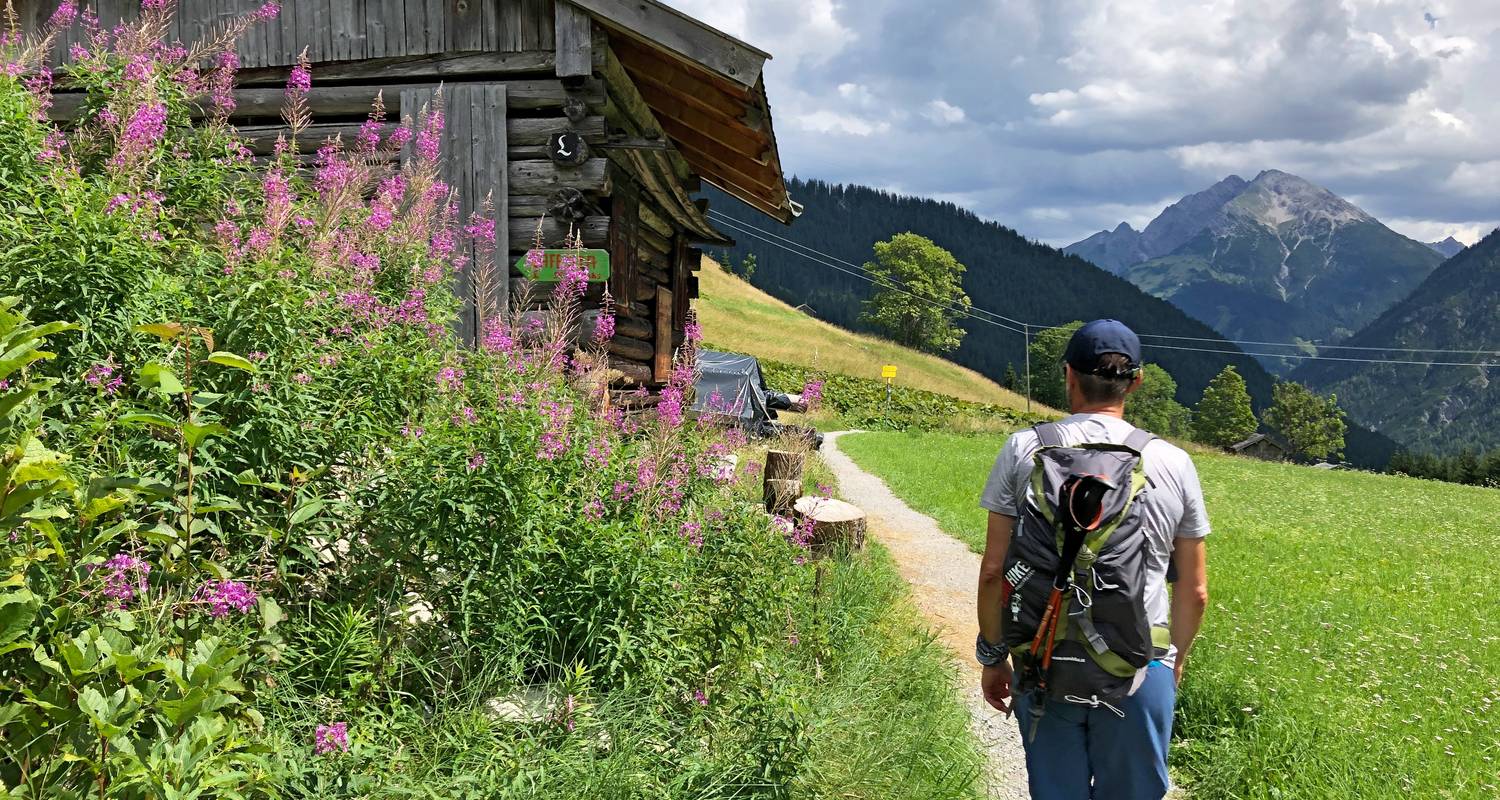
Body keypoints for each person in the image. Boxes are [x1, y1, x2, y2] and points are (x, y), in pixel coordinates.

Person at [974, 319, 1210, 800]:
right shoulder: (1174, 461)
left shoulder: (1025, 449)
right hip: (1140, 667)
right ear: (1137, 382)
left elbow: (995, 572)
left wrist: (994, 656)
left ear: (1068, 375)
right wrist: (1174, 660)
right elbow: (1195, 589)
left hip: (1043, 665)